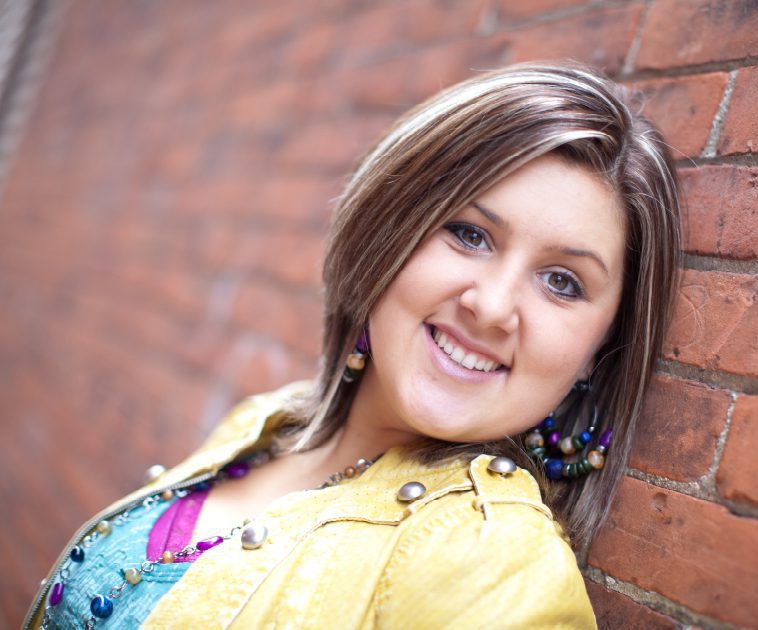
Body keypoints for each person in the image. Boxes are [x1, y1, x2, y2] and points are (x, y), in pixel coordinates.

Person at [25, 61, 680, 629]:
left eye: (562, 282)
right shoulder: (266, 422)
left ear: (600, 347)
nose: (490, 306)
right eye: (470, 234)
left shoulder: (494, 559)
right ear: (390, 231)